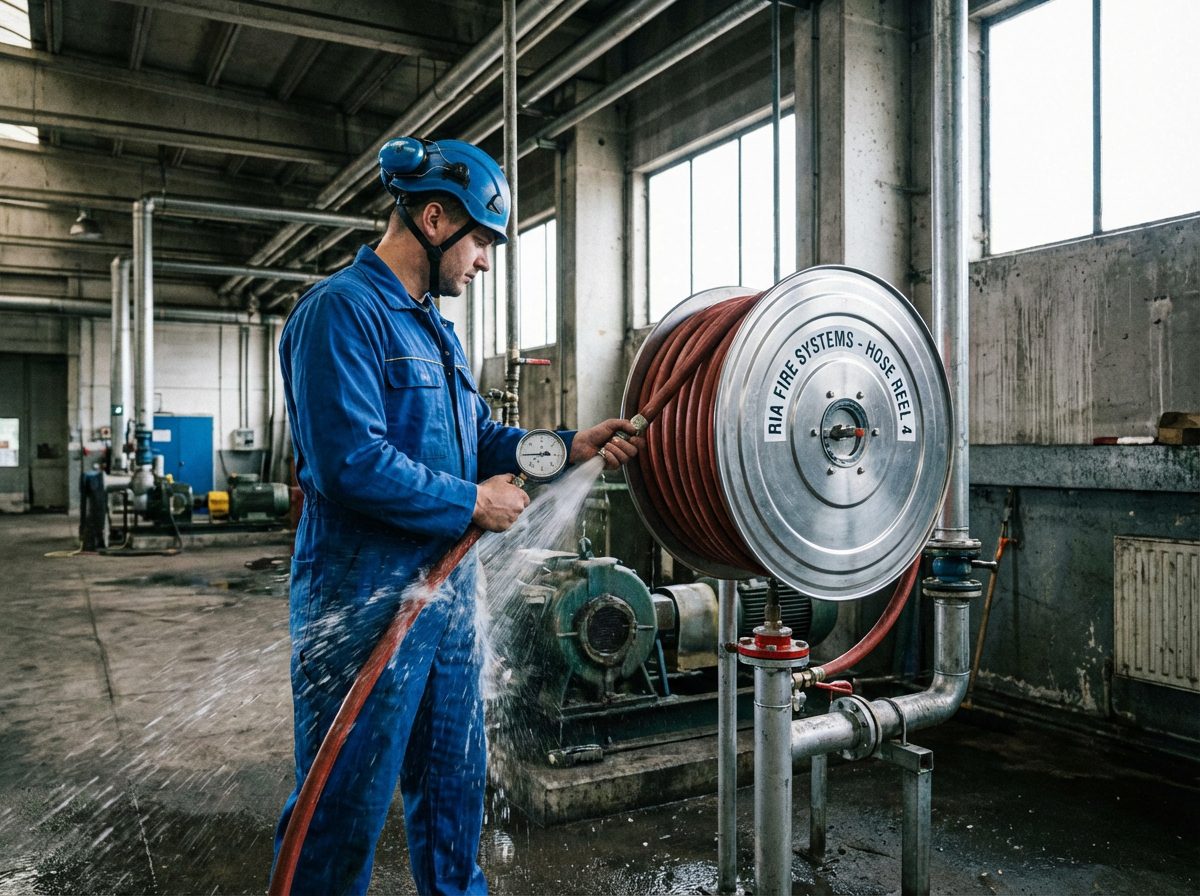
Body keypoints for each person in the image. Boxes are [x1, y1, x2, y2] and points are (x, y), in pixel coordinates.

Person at [271, 136, 639, 896]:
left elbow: (482, 440)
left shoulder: (435, 329)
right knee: (340, 815)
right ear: (434, 219)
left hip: (445, 610)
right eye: (480, 240)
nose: (484, 260)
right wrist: (473, 501)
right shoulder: (339, 314)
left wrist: (570, 445)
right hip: (363, 608)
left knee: (452, 801)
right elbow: (350, 465)